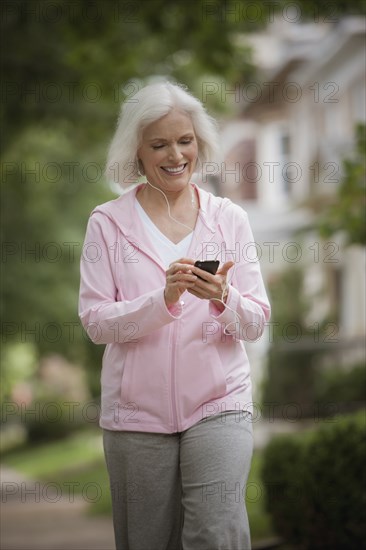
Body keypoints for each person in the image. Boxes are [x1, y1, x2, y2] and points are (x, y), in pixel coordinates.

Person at [78, 81, 271, 550]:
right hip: (136, 417)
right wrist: (161, 302)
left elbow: (256, 321)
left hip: (219, 404)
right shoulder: (107, 223)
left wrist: (225, 298)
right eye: (159, 144)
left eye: (184, 141)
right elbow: (97, 321)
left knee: (215, 534)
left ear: (199, 145)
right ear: (137, 153)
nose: (175, 155)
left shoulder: (229, 219)